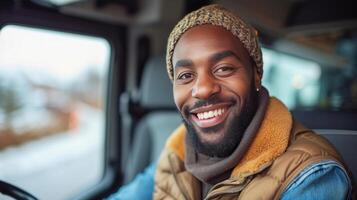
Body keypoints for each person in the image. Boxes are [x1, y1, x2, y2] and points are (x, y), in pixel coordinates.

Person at [154, 4, 355, 200]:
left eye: (224, 69)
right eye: (186, 75)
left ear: (256, 75)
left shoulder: (312, 173)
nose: (204, 89)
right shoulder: (177, 150)